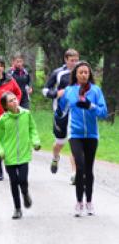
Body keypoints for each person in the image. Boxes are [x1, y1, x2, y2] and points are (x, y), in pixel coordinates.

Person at [57, 61, 107, 217]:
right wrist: (59, 105)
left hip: (92, 135)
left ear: (89, 74)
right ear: (76, 75)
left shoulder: (96, 91)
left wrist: (90, 106)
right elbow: (61, 110)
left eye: (86, 72)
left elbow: (104, 112)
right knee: (80, 167)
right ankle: (79, 202)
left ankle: (89, 201)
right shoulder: (70, 91)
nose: (84, 75)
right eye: (81, 72)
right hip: (75, 134)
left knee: (89, 169)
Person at [0, 92, 41, 219]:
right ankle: (17, 208)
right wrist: (0, 151)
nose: (14, 101)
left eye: (15, 99)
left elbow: (32, 129)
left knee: (23, 180)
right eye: (10, 101)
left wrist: (35, 142)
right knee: (14, 182)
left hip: (24, 154)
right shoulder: (3, 119)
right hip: (9, 156)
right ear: (6, 106)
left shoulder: (26, 114)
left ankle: (25, 193)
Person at [43, 49, 80, 181]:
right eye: (72, 61)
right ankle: (55, 157)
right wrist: (56, 94)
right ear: (66, 60)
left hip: (77, 112)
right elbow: (45, 90)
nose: (75, 63)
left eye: (76, 60)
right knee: (60, 142)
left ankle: (75, 174)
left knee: (75, 141)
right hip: (60, 112)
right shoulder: (58, 73)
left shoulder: (82, 72)